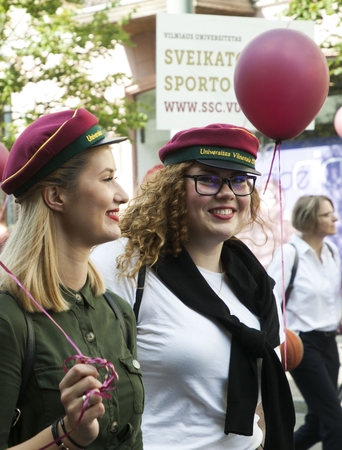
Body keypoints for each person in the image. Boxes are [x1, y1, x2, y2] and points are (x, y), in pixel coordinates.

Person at [91, 123, 295, 450]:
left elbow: (261, 392)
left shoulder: (253, 279)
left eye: (240, 180)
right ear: (172, 189)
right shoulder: (123, 264)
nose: (227, 192)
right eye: (208, 179)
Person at [0, 108, 142, 450]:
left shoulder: (118, 312)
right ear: (56, 196)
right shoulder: (1, 322)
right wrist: (65, 434)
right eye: (107, 178)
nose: (123, 194)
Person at [267, 195, 342, 450]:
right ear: (309, 219)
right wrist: (278, 341)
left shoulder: (331, 251)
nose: (335, 218)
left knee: (317, 421)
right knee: (335, 422)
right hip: (303, 345)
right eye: (326, 214)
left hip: (329, 342)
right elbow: (270, 299)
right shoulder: (289, 253)